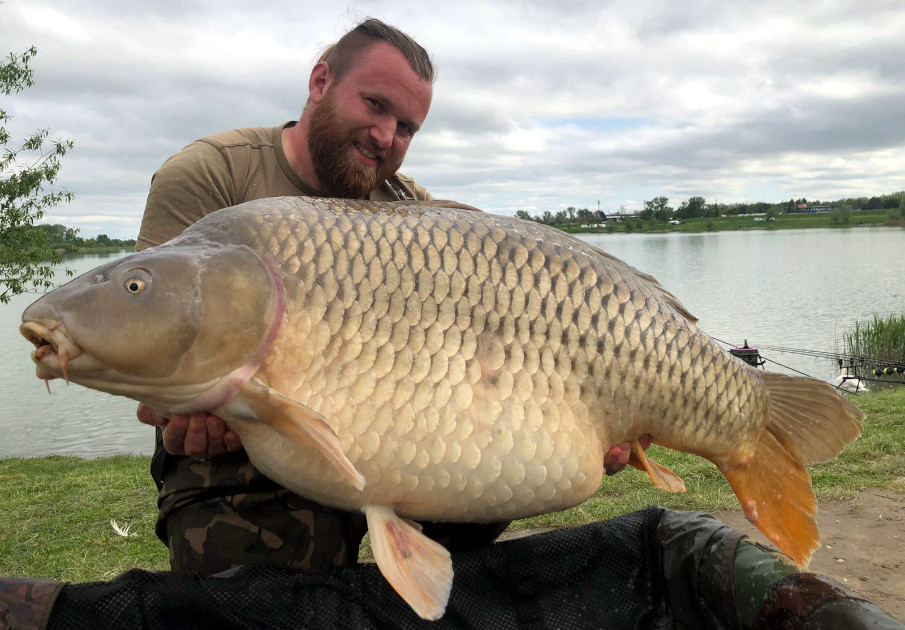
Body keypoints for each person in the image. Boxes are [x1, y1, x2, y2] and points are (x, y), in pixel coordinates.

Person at [134, 17, 648, 577]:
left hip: (394, 436)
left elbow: (499, 338)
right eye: (375, 105)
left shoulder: (411, 208)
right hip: (243, 453)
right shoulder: (214, 175)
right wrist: (173, 406)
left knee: (492, 474)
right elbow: (150, 336)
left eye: (407, 127)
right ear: (320, 82)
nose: (386, 136)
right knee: (262, 597)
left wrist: (591, 418)